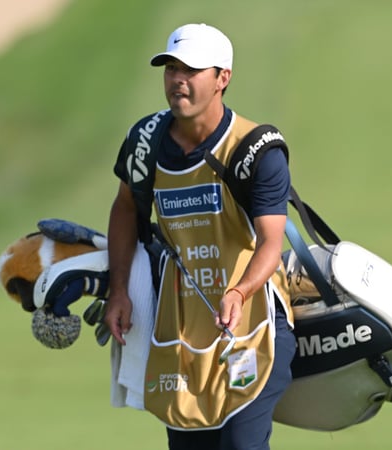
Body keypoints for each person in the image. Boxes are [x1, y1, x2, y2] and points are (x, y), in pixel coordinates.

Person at [103, 23, 295, 450]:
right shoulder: (146, 140)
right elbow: (125, 208)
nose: (177, 80)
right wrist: (119, 290)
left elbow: (270, 244)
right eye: (171, 68)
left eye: (191, 70)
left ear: (222, 77)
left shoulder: (254, 148)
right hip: (181, 328)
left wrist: (240, 292)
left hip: (253, 325)